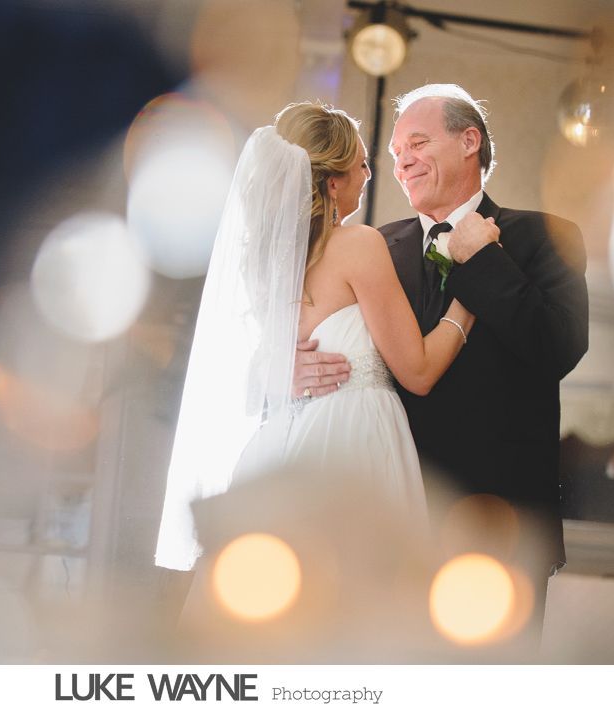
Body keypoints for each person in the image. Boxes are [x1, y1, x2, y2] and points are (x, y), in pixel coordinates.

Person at [294, 85, 589, 623]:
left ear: (469, 141)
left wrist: (481, 262)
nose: (401, 159)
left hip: (501, 521)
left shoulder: (546, 237)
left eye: (418, 142)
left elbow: (559, 346)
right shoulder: (371, 245)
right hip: (388, 518)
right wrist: (286, 369)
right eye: (395, 151)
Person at [155, 102, 492, 572]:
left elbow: (251, 364)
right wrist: (473, 290)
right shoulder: (359, 246)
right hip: (355, 441)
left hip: (283, 442)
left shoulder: (263, 263)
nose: (372, 172)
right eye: (361, 163)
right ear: (332, 182)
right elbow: (418, 372)